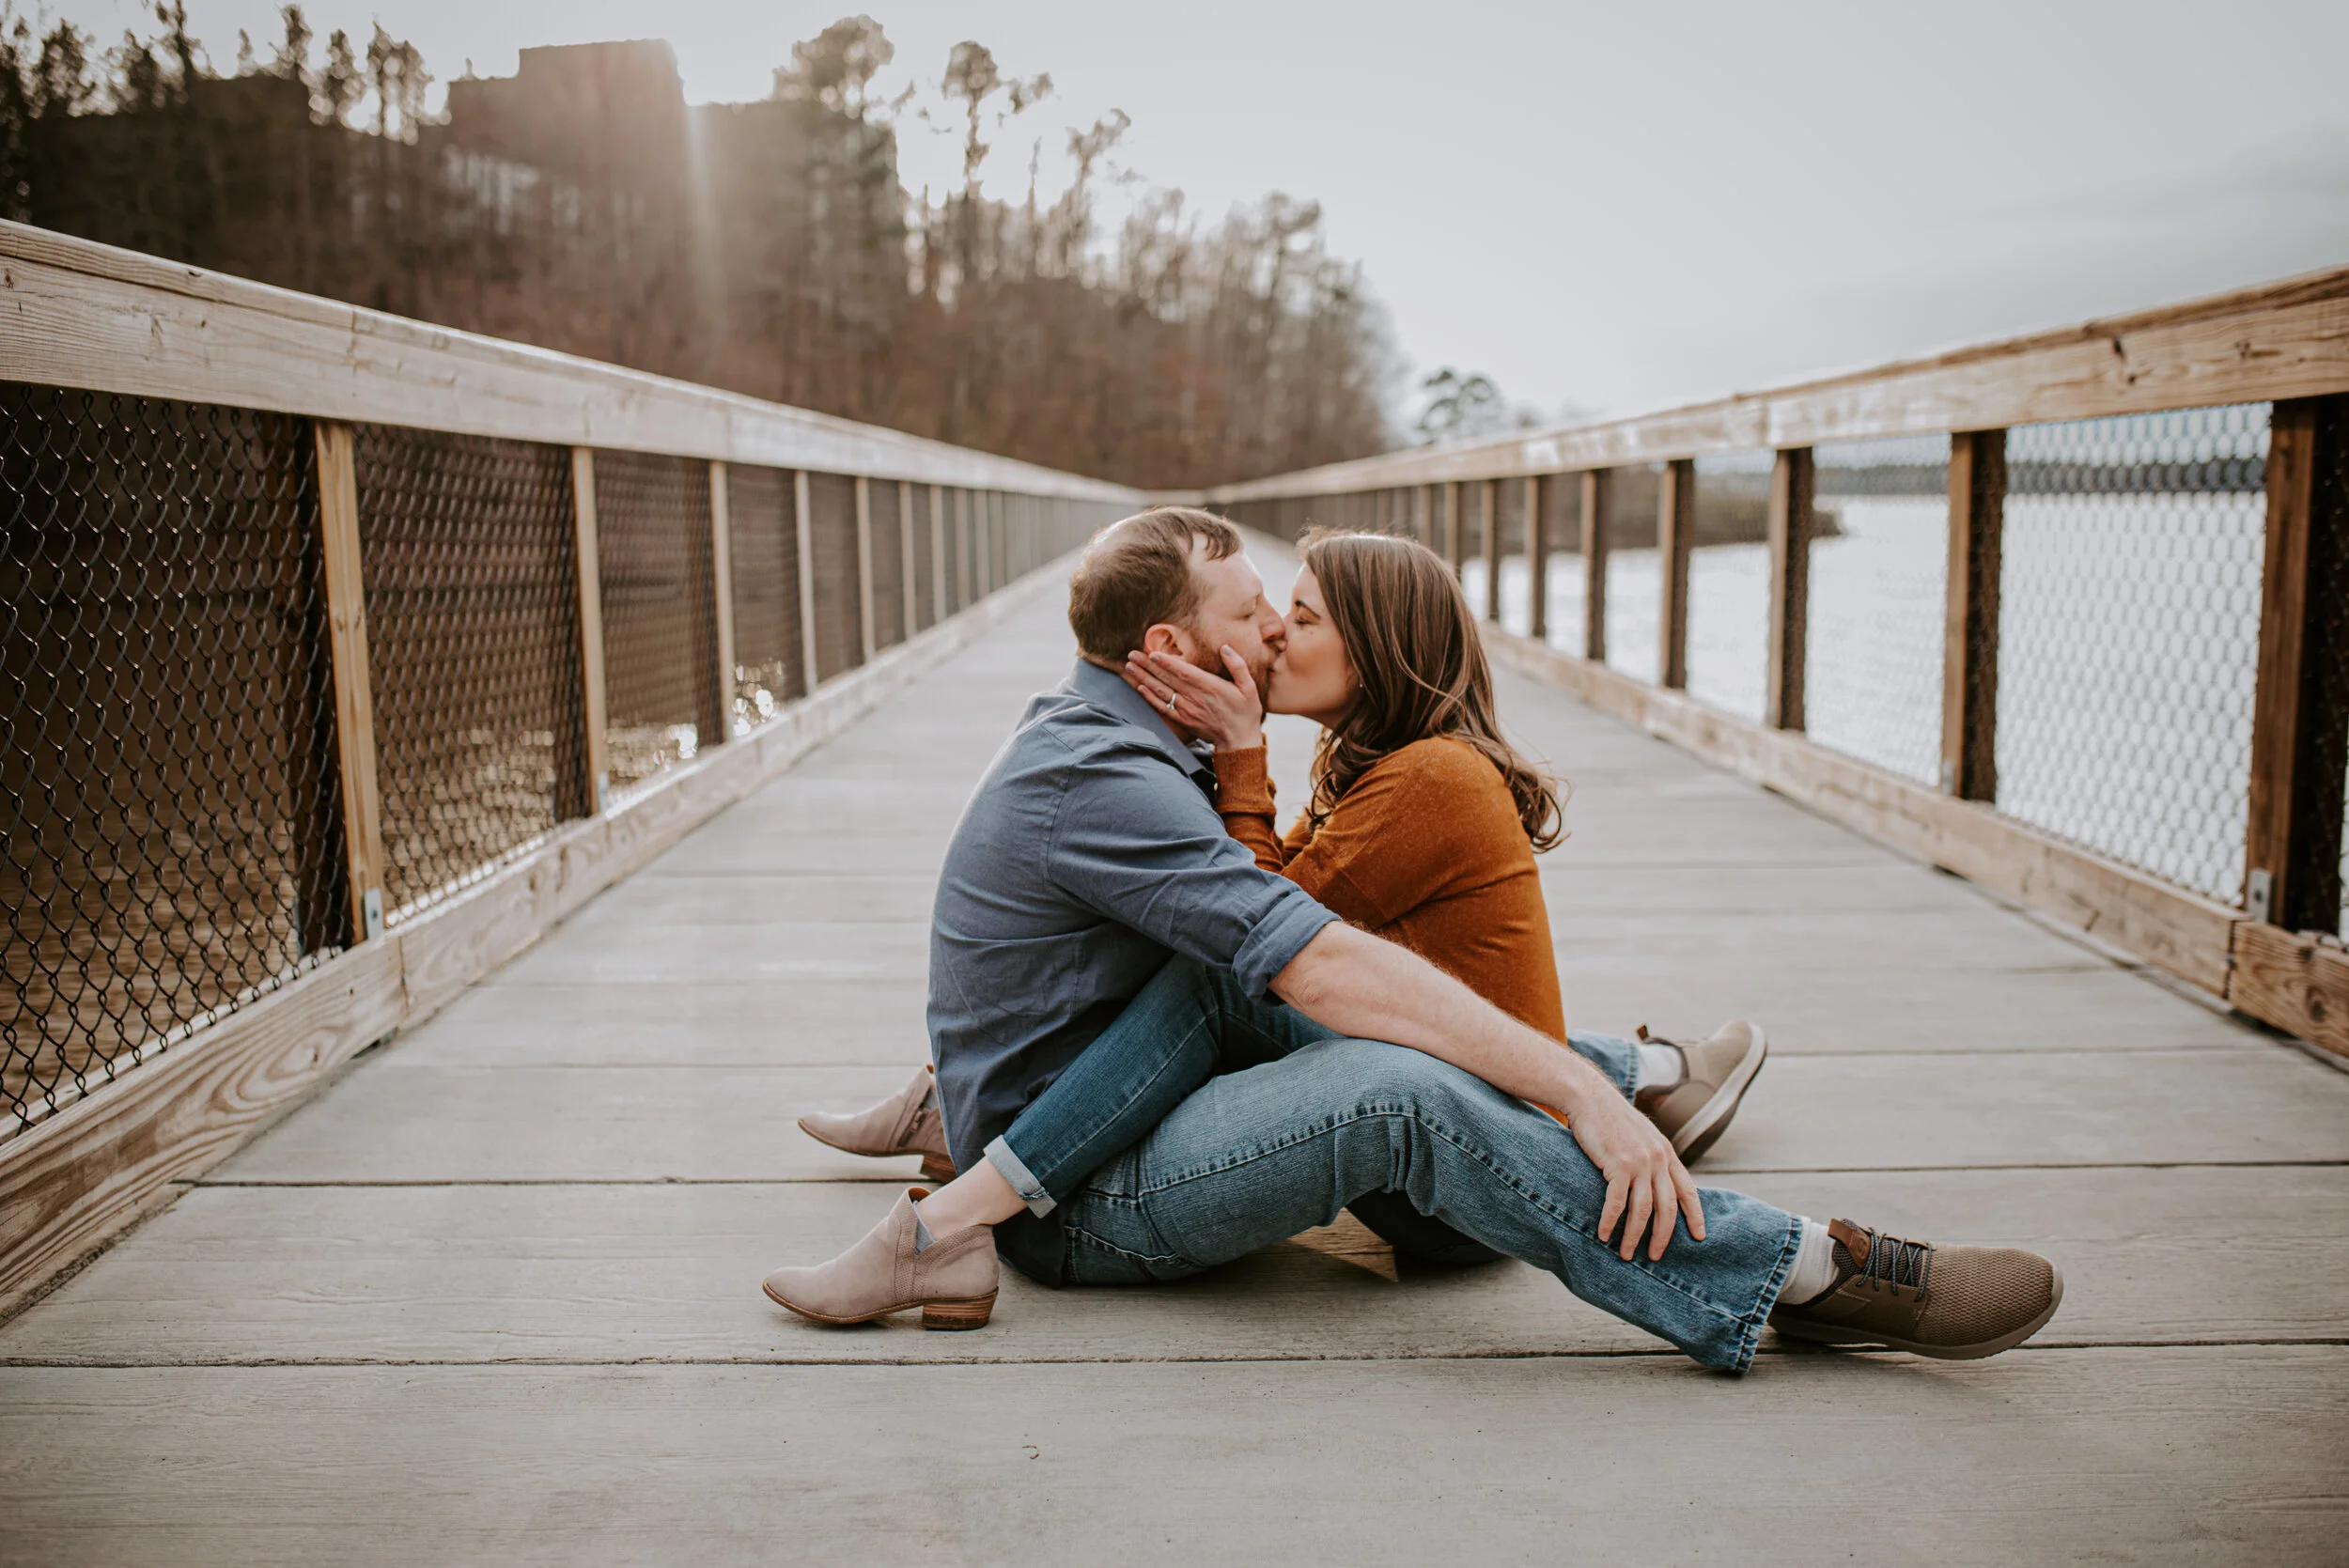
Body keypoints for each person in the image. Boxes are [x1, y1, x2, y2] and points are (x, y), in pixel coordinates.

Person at [763, 508, 2062, 1368]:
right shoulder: (1108, 780)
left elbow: (1278, 941)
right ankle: (1799, 1271)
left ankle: (952, 1195)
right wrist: (1571, 1093)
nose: (1275, 630)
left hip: (1105, 1114)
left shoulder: (1125, 740)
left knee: (1254, 975)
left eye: (1294, 612)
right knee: (1393, 1090)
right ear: (1169, 645)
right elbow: (1318, 954)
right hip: (1088, 1206)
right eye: (1256, 610)